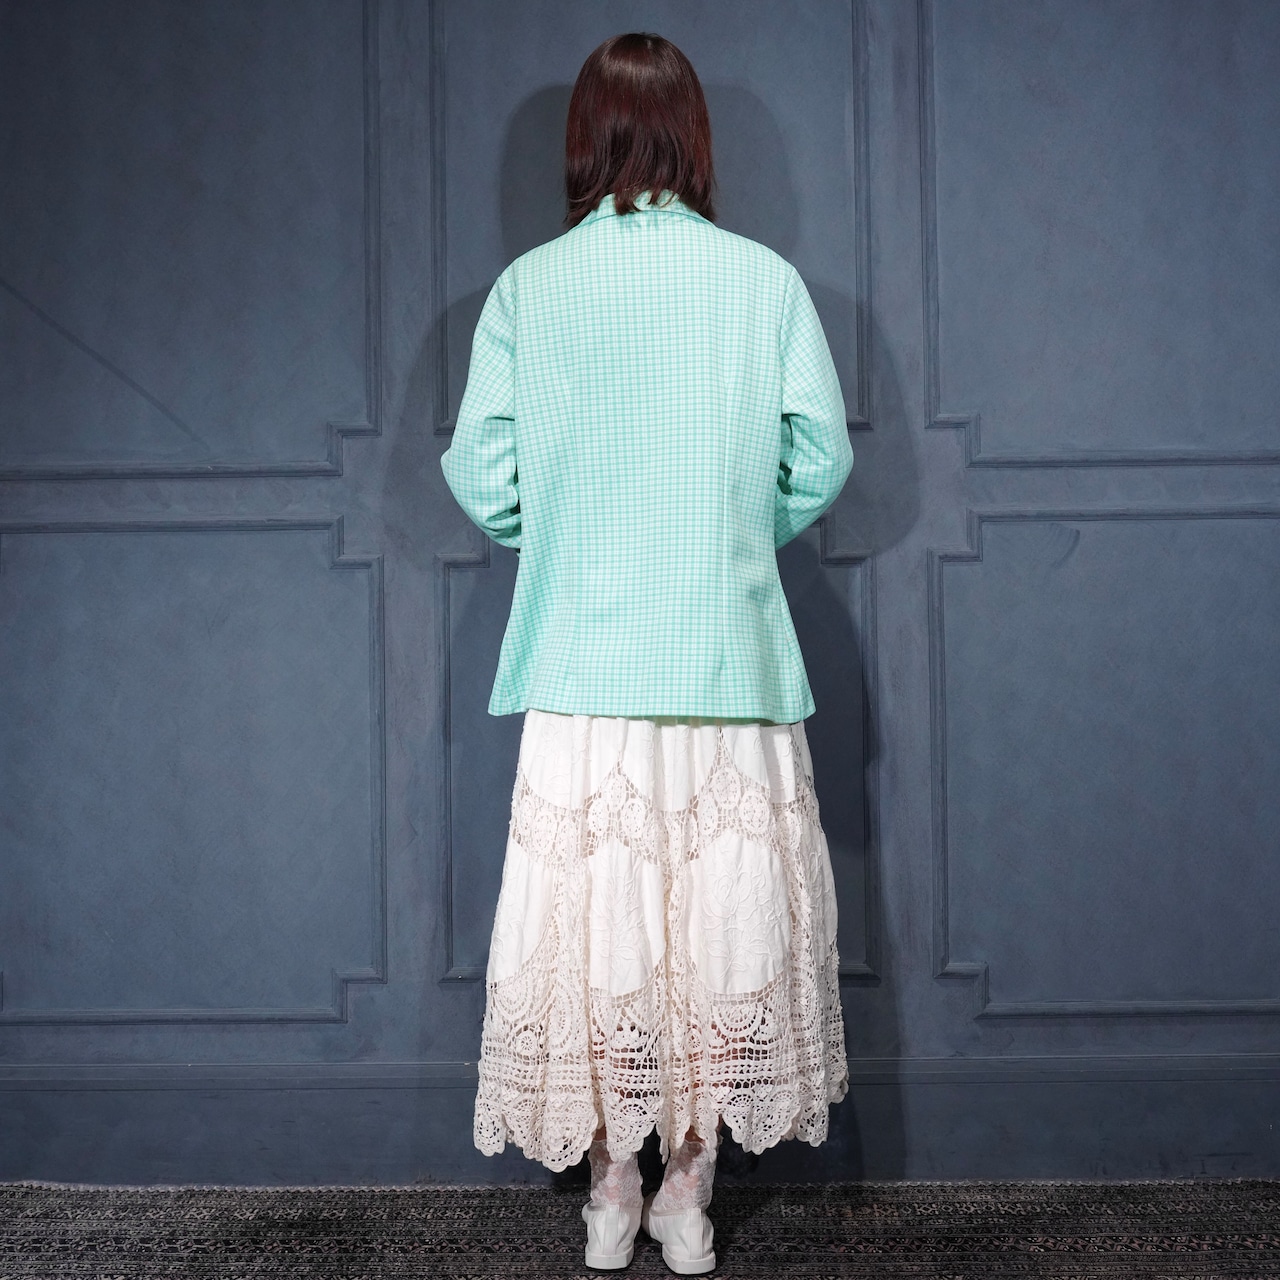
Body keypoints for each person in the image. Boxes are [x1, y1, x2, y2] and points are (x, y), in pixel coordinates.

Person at [441, 31, 852, 1276]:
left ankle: (609, 1190)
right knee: (717, 925)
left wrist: (567, 535)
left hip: (586, 664)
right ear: (693, 139)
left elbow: (480, 472)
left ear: (584, 141)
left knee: (602, 931)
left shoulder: (529, 289)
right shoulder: (762, 283)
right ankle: (687, 1194)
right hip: (726, 658)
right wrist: (731, 532)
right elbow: (821, 457)